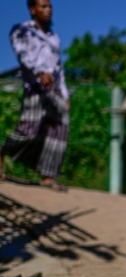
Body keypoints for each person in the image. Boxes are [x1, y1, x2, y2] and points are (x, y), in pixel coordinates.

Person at [0, 0, 69, 192]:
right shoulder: (21, 30)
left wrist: (64, 94)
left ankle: (48, 176)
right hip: (34, 84)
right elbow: (22, 55)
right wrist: (38, 72)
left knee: (60, 127)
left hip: (53, 87)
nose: (48, 11)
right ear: (32, 9)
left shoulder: (54, 37)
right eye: (43, 6)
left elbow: (59, 67)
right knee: (29, 128)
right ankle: (2, 152)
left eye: (50, 6)